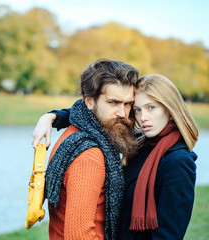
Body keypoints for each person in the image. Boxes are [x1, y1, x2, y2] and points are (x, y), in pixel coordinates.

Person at [32, 74, 199, 240]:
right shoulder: (139, 143)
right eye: (137, 110)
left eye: (151, 107)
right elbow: (97, 114)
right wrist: (52, 117)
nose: (143, 118)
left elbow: (168, 236)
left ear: (170, 109)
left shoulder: (178, 162)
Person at [42, 58, 140, 240]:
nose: (123, 113)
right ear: (89, 101)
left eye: (128, 104)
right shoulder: (89, 155)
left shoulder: (76, 131)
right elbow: (79, 236)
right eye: (113, 103)